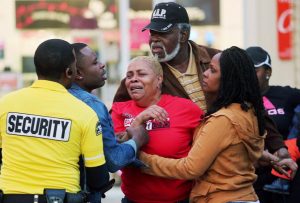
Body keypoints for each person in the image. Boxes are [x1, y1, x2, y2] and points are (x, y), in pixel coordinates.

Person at [139, 46, 266, 203]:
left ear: (228, 79)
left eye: (212, 70)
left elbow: (190, 168)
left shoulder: (223, 120)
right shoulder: (248, 110)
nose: (204, 74)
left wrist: (140, 159)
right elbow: (236, 151)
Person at [0, 39, 109, 203]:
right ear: (69, 72)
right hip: (60, 197)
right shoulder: (85, 113)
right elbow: (98, 178)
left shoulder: (5, 104)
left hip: (11, 197)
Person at [111, 56, 204, 203]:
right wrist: (138, 120)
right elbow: (116, 154)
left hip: (180, 199)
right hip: (133, 200)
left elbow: (204, 154)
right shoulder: (118, 110)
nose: (133, 79)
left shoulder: (187, 108)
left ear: (159, 79)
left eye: (141, 74)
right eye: (129, 76)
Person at [68, 43, 149, 202]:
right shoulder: (92, 105)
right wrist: (136, 140)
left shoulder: (58, 99)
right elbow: (114, 160)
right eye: (95, 62)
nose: (102, 64)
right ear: (78, 73)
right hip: (81, 194)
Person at [246, 46, 300, 200]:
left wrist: (293, 144)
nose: (249, 76)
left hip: (284, 178)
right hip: (250, 179)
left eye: (255, 71)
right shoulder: (236, 100)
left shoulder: (286, 95)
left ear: (268, 72)